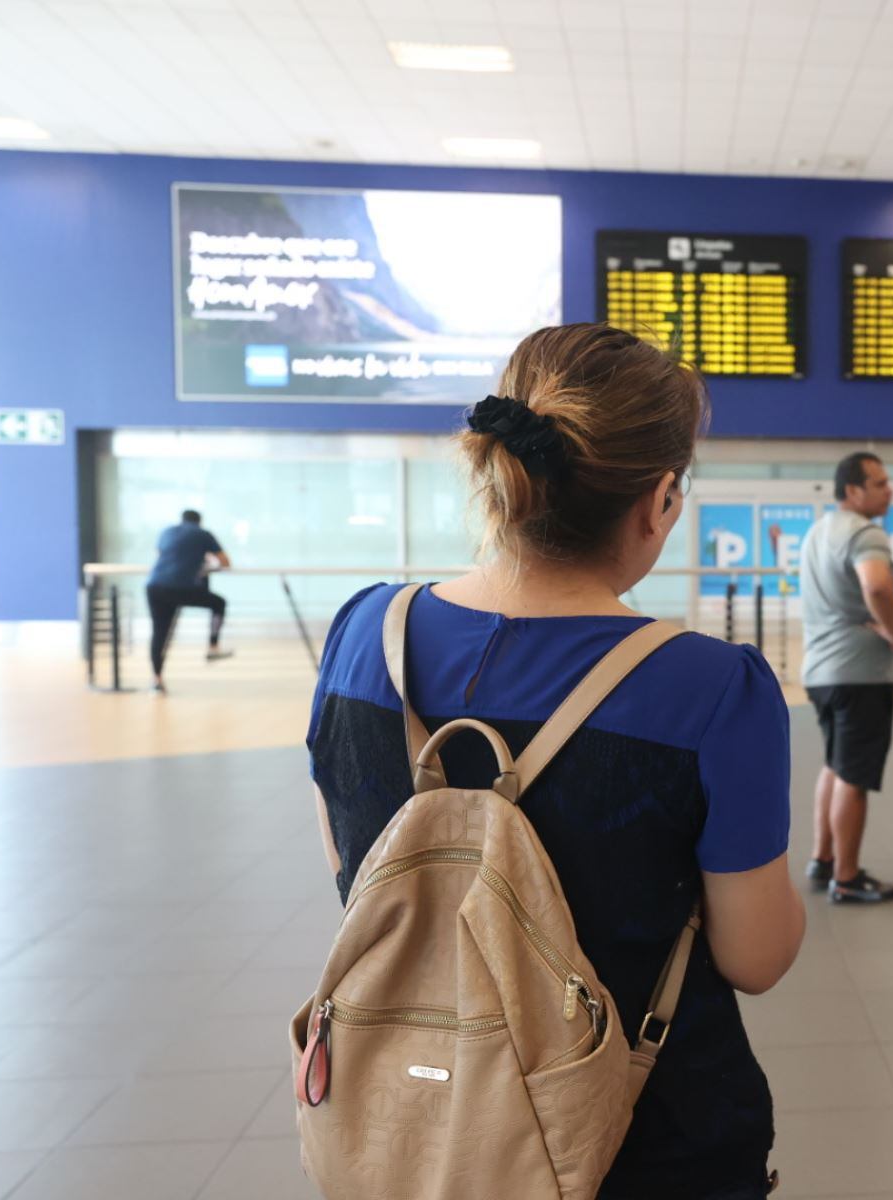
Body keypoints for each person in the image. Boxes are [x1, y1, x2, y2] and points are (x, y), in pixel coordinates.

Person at [305, 324, 805, 1198]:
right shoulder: (712, 688)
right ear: (660, 500)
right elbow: (756, 957)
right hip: (645, 1139)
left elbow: (358, 870)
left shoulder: (363, 634)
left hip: (416, 1119)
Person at [800, 451, 893, 904]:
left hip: (821, 672)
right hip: (858, 674)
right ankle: (846, 877)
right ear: (853, 491)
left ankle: (822, 858)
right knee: (854, 776)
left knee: (835, 764)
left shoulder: (819, 531)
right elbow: (877, 585)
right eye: (879, 483)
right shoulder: (866, 533)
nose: (889, 490)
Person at [146, 508, 234, 692]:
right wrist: (207, 561)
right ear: (199, 521)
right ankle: (213, 646)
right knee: (219, 603)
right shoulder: (202, 534)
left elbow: (161, 554)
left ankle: (157, 680)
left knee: (159, 633)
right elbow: (225, 562)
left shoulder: (167, 531)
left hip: (154, 586)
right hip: (180, 588)